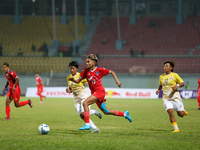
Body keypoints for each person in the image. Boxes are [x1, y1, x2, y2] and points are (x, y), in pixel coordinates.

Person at [69, 54, 132, 130]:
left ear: (93, 62)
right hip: (95, 93)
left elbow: (112, 72)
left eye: (88, 62)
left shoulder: (100, 70)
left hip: (100, 92)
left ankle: (87, 124)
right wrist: (73, 80)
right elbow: (78, 80)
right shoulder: (85, 71)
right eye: (86, 62)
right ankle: (125, 114)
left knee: (85, 103)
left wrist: (117, 81)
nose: (87, 63)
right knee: (106, 112)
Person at [66, 61, 102, 133]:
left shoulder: (81, 76)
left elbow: (90, 82)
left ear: (76, 69)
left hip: (84, 97)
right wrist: (68, 90)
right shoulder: (68, 77)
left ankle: (94, 111)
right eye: (70, 68)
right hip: (76, 99)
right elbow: (71, 88)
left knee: (83, 113)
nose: (71, 70)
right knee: (82, 116)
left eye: (73, 68)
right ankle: (95, 129)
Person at [156, 60, 188, 132]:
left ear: (171, 68)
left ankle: (183, 111)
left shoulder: (175, 75)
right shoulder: (161, 76)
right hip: (166, 98)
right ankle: (176, 128)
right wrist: (158, 90)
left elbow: (182, 83)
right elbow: (161, 85)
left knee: (181, 114)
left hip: (175, 97)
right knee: (170, 112)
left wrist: (177, 85)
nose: (165, 67)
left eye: (167, 66)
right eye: (164, 66)